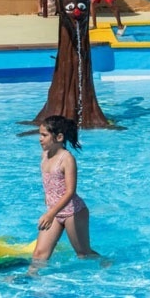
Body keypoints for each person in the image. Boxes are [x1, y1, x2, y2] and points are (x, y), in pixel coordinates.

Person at [32, 114, 102, 268]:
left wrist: (50, 213)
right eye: (40, 135)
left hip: (73, 212)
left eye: (44, 135)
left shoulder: (67, 159)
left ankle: (106, 263)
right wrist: (49, 204)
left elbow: (70, 191)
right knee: (39, 255)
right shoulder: (44, 155)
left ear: (59, 137)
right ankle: (29, 280)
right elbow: (48, 182)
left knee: (83, 254)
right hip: (54, 213)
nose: (40, 139)